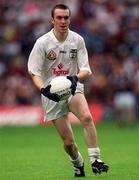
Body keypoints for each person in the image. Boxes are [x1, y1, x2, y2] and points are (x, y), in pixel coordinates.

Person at [28, 4, 109, 177]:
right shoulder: (42, 42)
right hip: (51, 93)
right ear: (52, 20)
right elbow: (33, 72)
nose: (63, 21)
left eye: (66, 17)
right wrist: (44, 89)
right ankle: (78, 163)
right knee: (69, 142)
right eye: (59, 17)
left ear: (70, 19)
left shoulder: (77, 40)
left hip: (72, 87)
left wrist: (74, 79)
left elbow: (86, 70)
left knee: (87, 116)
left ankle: (95, 160)